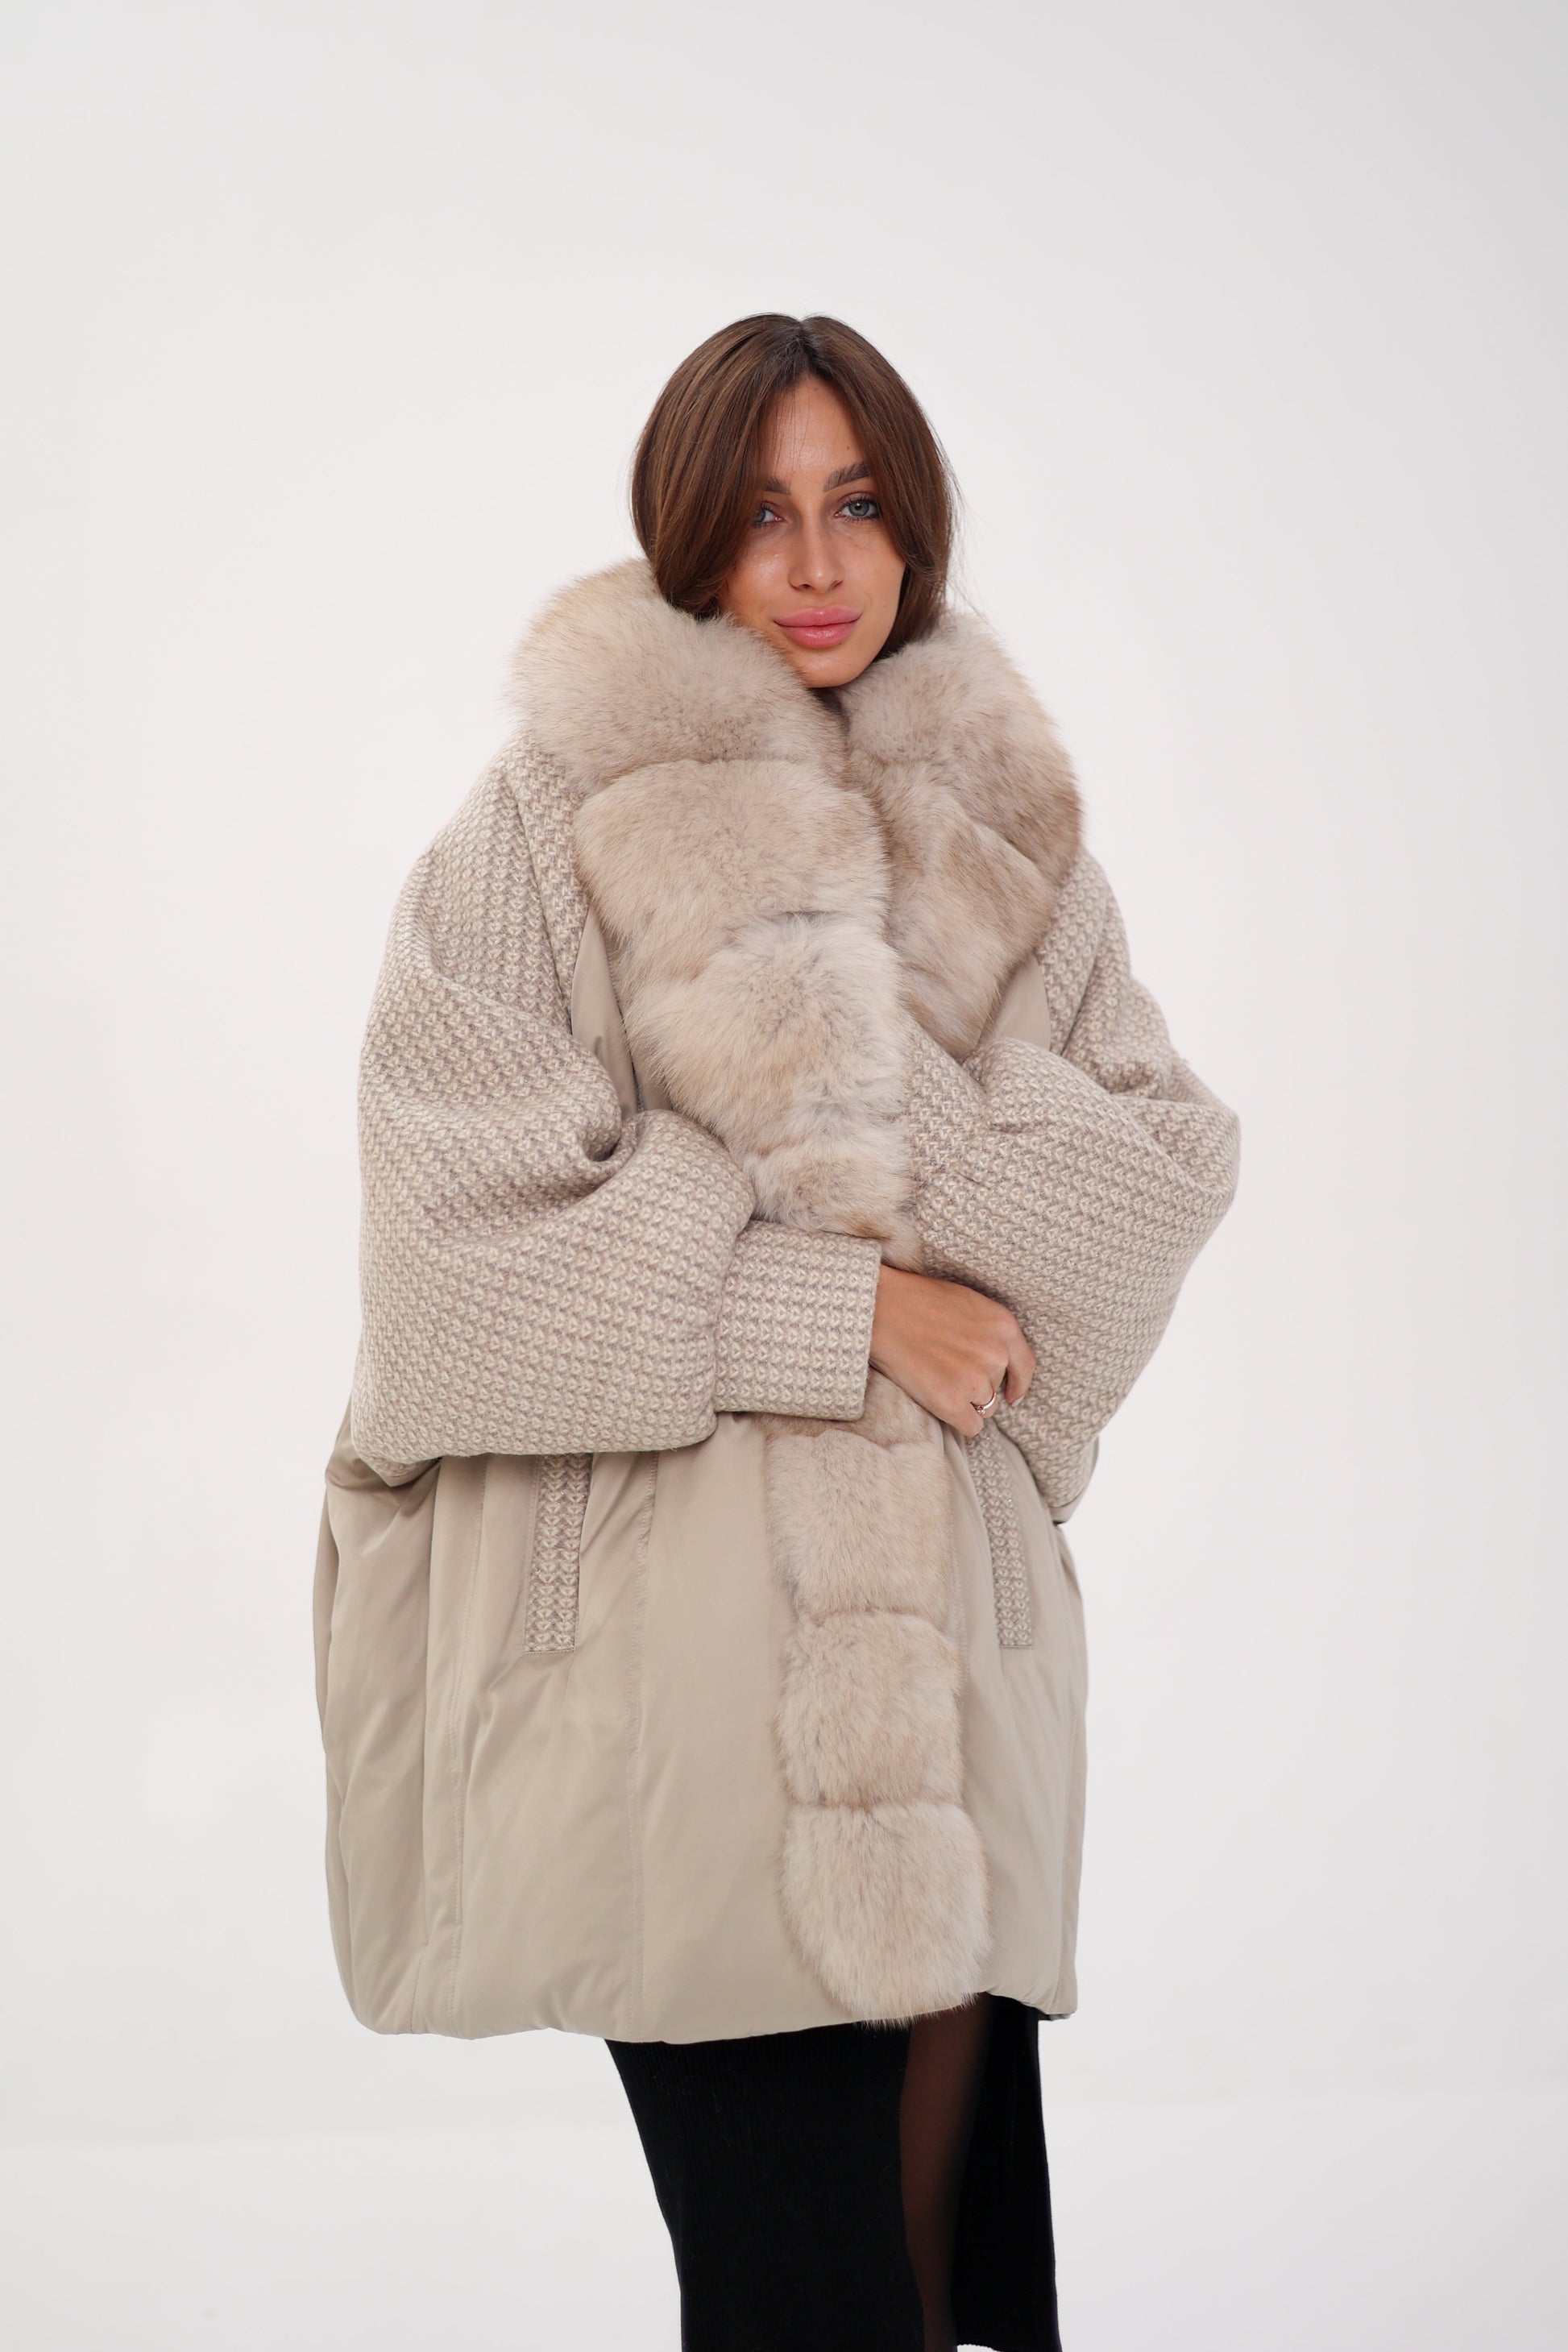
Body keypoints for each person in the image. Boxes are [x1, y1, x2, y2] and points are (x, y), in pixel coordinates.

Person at [315, 313, 1240, 2351]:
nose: (816, 563)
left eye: (857, 503)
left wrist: (843, 1111)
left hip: (958, 1695)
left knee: (941, 2298)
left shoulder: (1012, 831)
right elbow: (455, 1274)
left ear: (916, 529)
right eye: (758, 514)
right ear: (686, 536)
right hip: (695, 1706)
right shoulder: (547, 821)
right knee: (798, 2300)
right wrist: (844, 1298)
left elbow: (1153, 1185)